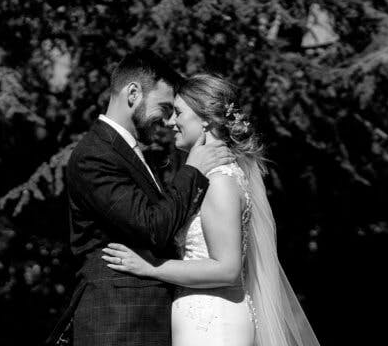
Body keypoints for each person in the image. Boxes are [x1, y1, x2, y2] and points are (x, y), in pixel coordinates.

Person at [102, 74, 321, 346]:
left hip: (215, 324)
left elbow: (227, 269)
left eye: (178, 113)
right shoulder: (212, 178)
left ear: (205, 118)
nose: (170, 122)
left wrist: (152, 268)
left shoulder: (220, 182)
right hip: (203, 320)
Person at [53, 52, 235, 346]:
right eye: (163, 107)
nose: (166, 121)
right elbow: (151, 226)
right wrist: (194, 171)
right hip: (118, 320)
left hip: (147, 319)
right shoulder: (94, 155)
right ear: (133, 93)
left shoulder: (132, 153)